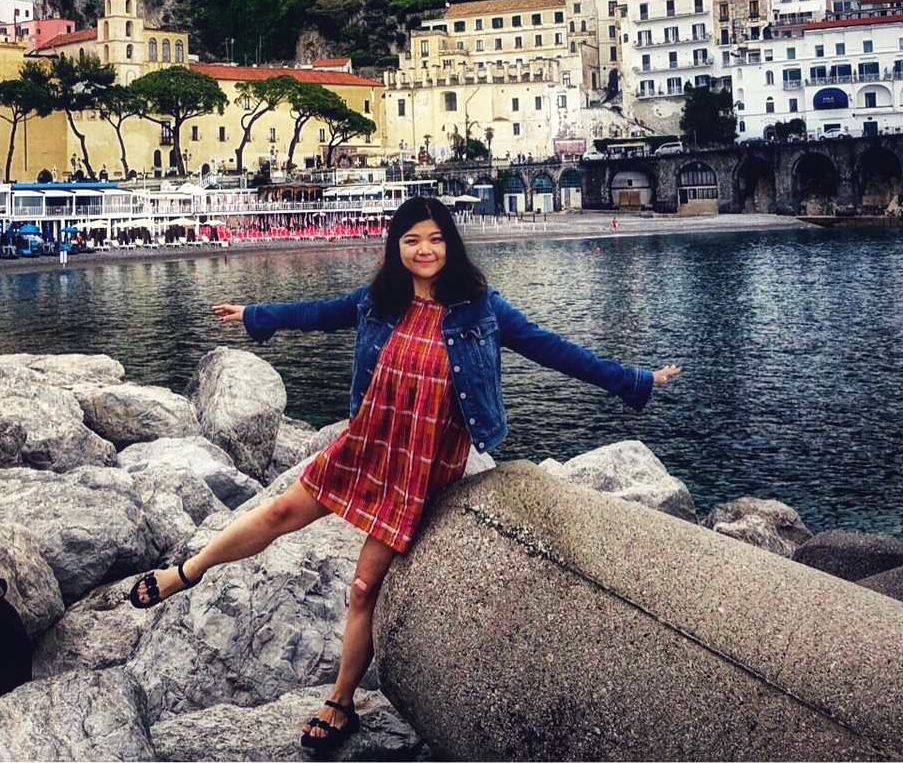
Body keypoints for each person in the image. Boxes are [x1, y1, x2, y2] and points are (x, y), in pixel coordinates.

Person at [126, 195, 682, 754]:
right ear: (397, 247)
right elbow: (320, 313)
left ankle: (340, 702)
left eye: (435, 239)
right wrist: (255, 315)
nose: (425, 250)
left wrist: (632, 380)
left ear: (450, 244)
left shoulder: (481, 308)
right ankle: (185, 573)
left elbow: (551, 349)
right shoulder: (379, 301)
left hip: (422, 467)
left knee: (363, 587)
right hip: (367, 444)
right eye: (412, 240)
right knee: (277, 512)